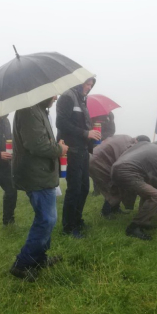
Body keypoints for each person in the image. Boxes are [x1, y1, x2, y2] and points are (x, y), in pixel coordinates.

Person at [10, 96, 68, 282]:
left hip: (42, 172)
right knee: (46, 220)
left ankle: (39, 258)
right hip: (36, 174)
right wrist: (60, 150)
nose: (56, 97)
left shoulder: (38, 109)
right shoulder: (29, 110)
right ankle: (22, 264)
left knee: (46, 219)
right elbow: (37, 145)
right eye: (53, 93)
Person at [56, 78, 101, 238]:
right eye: (87, 84)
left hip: (82, 149)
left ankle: (77, 220)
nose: (89, 88)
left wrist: (91, 134)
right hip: (72, 150)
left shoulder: (81, 98)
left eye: (91, 85)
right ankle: (68, 228)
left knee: (84, 188)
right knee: (74, 189)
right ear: (79, 82)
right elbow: (61, 123)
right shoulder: (67, 97)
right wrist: (85, 133)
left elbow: (80, 123)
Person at [89, 135, 149, 219]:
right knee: (112, 186)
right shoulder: (130, 146)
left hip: (95, 157)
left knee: (117, 184)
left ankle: (115, 209)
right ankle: (105, 212)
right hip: (98, 163)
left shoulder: (126, 138)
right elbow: (122, 164)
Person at [90, 111, 116, 196]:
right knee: (95, 167)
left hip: (105, 144)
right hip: (92, 144)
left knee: (106, 166)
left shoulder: (109, 114)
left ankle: (107, 188)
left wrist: (102, 137)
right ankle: (96, 189)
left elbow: (111, 130)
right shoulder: (90, 114)